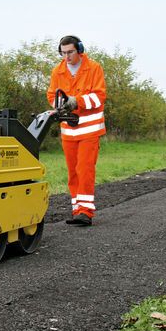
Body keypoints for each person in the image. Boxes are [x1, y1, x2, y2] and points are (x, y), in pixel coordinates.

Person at [46, 35, 107, 226]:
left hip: (89, 131)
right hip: (69, 132)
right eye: (63, 53)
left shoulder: (94, 68)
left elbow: (99, 97)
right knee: (73, 172)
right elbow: (52, 95)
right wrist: (61, 104)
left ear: (79, 49)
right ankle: (76, 210)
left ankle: (86, 212)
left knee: (85, 169)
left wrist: (76, 101)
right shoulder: (58, 71)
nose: (67, 56)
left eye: (70, 52)